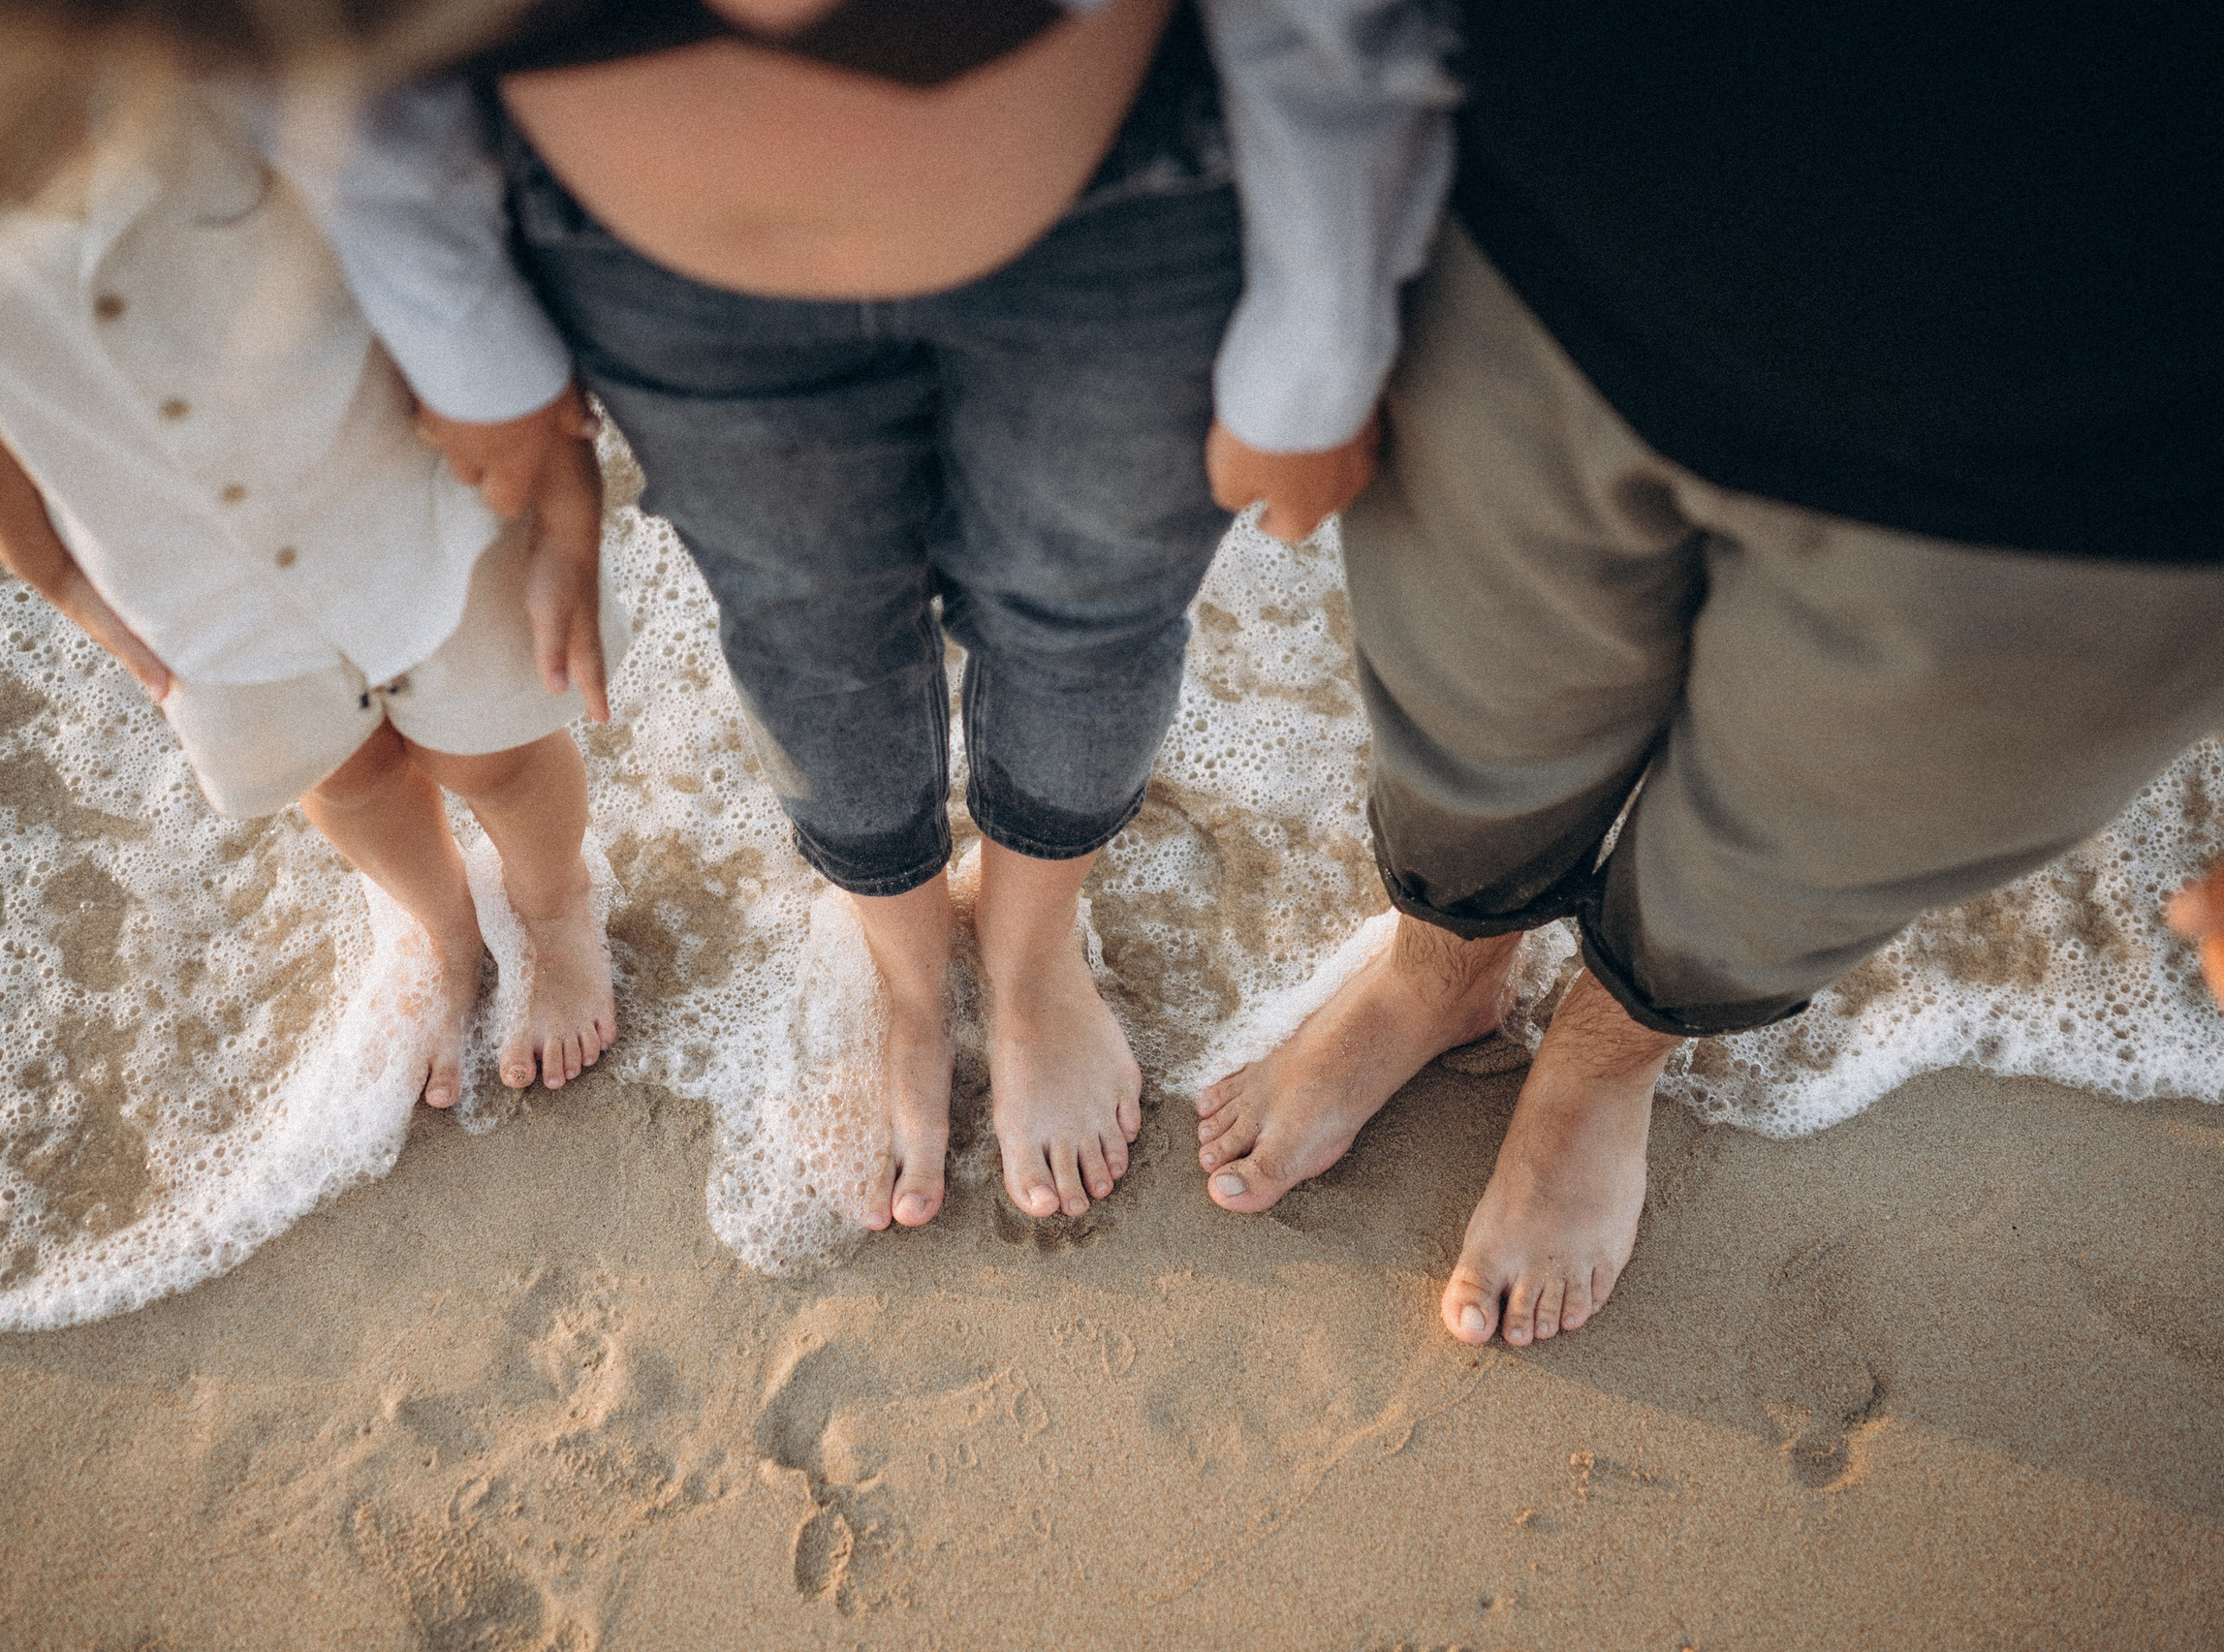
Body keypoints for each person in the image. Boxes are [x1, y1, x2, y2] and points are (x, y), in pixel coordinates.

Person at [1195, 1, 2224, 1346]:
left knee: (1796, 859)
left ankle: (1606, 1060)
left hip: (2108, 497)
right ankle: (1441, 969)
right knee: (1469, 715)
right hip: (1546, 238)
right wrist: (1312, 339)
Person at [470, 0, 1455, 1231]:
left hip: (1133, 188)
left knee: (1088, 613)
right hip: (646, 249)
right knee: (807, 640)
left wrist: (1321, 334)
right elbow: (336, 53)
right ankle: (908, 985)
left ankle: (1033, 960)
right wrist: (474, 357)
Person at [0, 23, 629, 1109]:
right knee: (341, 773)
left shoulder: (193, 38)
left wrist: (486, 384)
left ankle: (552, 906)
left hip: (391, 469)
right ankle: (442, 926)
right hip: (168, 552)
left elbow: (387, 162)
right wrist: (41, 559)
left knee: (495, 744)